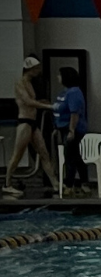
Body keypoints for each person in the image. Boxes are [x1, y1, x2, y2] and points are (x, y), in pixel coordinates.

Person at [3, 57, 57, 197]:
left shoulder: (30, 83)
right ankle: (7, 184)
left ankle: (56, 184)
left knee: (44, 153)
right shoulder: (20, 83)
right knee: (17, 154)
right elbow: (28, 102)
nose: (38, 71)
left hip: (32, 122)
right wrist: (48, 106)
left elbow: (33, 101)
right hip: (24, 122)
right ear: (29, 69)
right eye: (36, 68)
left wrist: (43, 102)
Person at [51, 67, 86, 196]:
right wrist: (56, 127)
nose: (58, 77)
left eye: (60, 75)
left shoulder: (74, 92)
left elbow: (74, 113)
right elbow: (59, 111)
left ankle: (70, 184)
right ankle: (83, 183)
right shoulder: (64, 93)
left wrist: (71, 130)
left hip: (72, 129)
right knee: (74, 156)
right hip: (62, 128)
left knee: (70, 157)